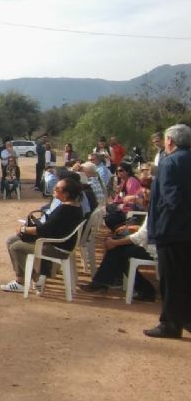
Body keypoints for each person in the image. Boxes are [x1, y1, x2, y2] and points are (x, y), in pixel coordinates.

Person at [144, 124, 191, 339]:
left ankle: (170, 324)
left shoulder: (169, 162)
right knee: (185, 277)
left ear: (170, 141)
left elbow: (172, 199)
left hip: (171, 230)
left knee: (171, 279)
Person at [0, 177, 85, 292]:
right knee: (11, 240)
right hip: (56, 241)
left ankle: (27, 280)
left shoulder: (65, 209)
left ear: (66, 194)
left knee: (16, 247)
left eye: (57, 188)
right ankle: (25, 278)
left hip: (56, 247)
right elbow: (51, 227)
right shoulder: (74, 206)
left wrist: (24, 229)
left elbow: (44, 230)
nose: (54, 189)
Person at [80, 214, 156, 302]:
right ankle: (104, 281)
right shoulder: (156, 208)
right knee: (117, 249)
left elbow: (140, 237)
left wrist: (115, 242)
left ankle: (104, 281)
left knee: (117, 250)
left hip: (155, 250)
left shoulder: (156, 209)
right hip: (154, 246)